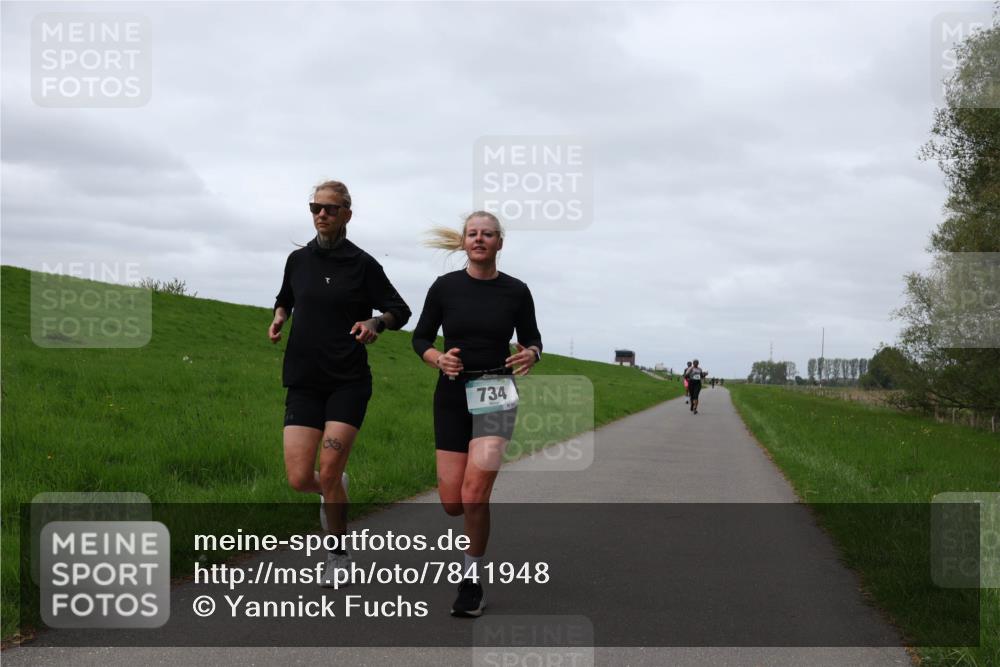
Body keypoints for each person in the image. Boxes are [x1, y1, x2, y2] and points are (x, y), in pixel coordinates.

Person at [269, 180, 411, 586]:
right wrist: (279, 317)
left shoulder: (363, 264)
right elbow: (285, 298)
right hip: (303, 380)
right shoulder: (298, 260)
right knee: (300, 479)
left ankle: (337, 553)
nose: (321, 214)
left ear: (347, 213)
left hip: (347, 381)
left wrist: (375, 322)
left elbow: (400, 309)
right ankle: (334, 488)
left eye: (330, 209)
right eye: (315, 207)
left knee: (328, 470)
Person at [411, 211, 542, 617]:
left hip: (495, 389)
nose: (480, 239)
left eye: (488, 234)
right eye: (473, 234)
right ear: (464, 242)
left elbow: (533, 338)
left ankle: (471, 581)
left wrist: (531, 353)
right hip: (451, 391)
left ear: (499, 243)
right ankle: (471, 551)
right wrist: (437, 359)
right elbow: (419, 337)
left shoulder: (516, 291)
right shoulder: (444, 287)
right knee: (452, 501)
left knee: (473, 494)